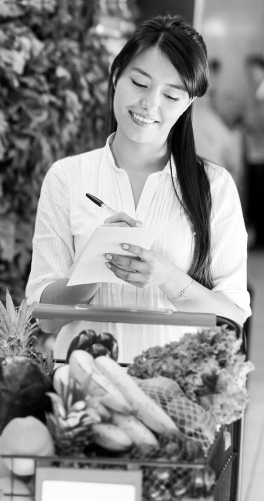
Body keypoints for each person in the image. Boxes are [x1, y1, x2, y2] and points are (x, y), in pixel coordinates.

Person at [26, 15, 251, 363]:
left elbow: (233, 317)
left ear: (188, 103)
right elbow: (44, 317)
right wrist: (90, 269)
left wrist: (167, 277)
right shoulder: (66, 177)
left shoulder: (215, 187)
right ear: (116, 76)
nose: (150, 104)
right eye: (139, 82)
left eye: (172, 95)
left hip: (175, 397)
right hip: (82, 396)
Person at [242, 55, 264, 249]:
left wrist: (246, 125)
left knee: (259, 197)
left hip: (260, 153)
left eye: (252, 70)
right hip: (255, 152)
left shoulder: (261, 93)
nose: (249, 75)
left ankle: (259, 240)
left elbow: (258, 123)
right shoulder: (255, 91)